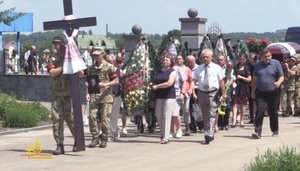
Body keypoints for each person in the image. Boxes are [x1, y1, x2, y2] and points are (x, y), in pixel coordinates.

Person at [47, 36, 84, 155]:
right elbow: (52, 73)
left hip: (69, 93)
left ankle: (77, 140)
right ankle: (59, 145)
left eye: (59, 44)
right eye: (55, 44)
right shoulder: (53, 58)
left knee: (70, 119)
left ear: (64, 44)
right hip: (57, 93)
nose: (57, 46)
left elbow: (81, 74)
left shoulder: (72, 57)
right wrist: (65, 67)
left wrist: (75, 64)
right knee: (56, 119)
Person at [191, 49, 225, 144]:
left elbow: (221, 82)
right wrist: (192, 90)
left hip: (213, 93)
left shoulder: (216, 68)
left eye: (207, 57)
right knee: (205, 114)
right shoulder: (198, 68)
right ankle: (209, 132)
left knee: (211, 113)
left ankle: (208, 134)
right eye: (203, 57)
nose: (205, 59)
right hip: (201, 93)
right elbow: (194, 81)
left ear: (211, 58)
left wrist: (223, 94)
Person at [86, 50, 118, 148]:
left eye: (97, 55)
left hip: (106, 96)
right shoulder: (91, 68)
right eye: (94, 55)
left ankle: (104, 138)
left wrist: (105, 84)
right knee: (91, 116)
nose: (95, 57)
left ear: (102, 55)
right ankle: (95, 137)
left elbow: (116, 81)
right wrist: (87, 89)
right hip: (94, 96)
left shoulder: (109, 67)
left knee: (105, 118)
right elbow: (89, 81)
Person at [251, 48, 284, 139]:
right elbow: (254, 79)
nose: (267, 58)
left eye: (269, 56)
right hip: (260, 92)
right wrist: (252, 91)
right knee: (259, 111)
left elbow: (281, 76)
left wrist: (278, 82)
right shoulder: (257, 65)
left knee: (273, 112)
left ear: (271, 56)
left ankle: (275, 130)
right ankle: (258, 132)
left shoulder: (276, 64)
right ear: (262, 57)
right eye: (265, 57)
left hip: (272, 92)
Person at [152, 53, 177, 144]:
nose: (165, 61)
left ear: (171, 62)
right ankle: (163, 133)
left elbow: (169, 83)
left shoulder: (172, 71)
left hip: (169, 96)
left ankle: (166, 137)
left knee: (166, 115)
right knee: (158, 115)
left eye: (167, 60)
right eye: (164, 59)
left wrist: (157, 86)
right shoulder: (158, 71)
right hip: (159, 96)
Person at [231, 53, 251, 127]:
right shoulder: (235, 67)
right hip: (235, 87)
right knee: (234, 104)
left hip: (243, 88)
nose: (242, 60)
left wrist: (242, 78)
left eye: (243, 59)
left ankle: (242, 120)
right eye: (241, 59)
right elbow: (231, 76)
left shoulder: (247, 68)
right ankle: (234, 120)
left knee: (243, 105)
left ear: (245, 60)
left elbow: (249, 79)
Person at [217, 55, 235, 130]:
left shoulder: (229, 68)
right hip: (218, 89)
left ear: (224, 61)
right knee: (220, 106)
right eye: (219, 60)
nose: (220, 61)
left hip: (226, 89)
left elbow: (232, 78)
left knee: (227, 107)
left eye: (222, 60)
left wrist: (227, 85)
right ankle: (220, 123)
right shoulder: (215, 68)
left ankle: (226, 123)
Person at [187, 55, 204, 134]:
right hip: (188, 90)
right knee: (190, 110)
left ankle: (202, 126)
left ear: (194, 61)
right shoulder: (186, 69)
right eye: (188, 62)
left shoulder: (199, 68)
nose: (190, 64)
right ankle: (192, 128)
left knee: (198, 109)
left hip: (198, 90)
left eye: (191, 62)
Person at [110, 55, 125, 141]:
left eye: (112, 62)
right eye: (109, 62)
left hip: (117, 95)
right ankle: (112, 131)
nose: (111, 64)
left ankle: (113, 133)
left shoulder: (120, 71)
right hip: (107, 95)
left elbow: (123, 82)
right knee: (107, 114)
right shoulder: (105, 70)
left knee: (114, 115)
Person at [246, 53, 257, 123]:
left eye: (253, 58)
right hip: (248, 85)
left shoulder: (256, 66)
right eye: (250, 58)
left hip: (255, 85)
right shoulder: (247, 65)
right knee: (250, 102)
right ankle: (252, 117)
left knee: (255, 102)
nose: (251, 59)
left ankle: (256, 116)